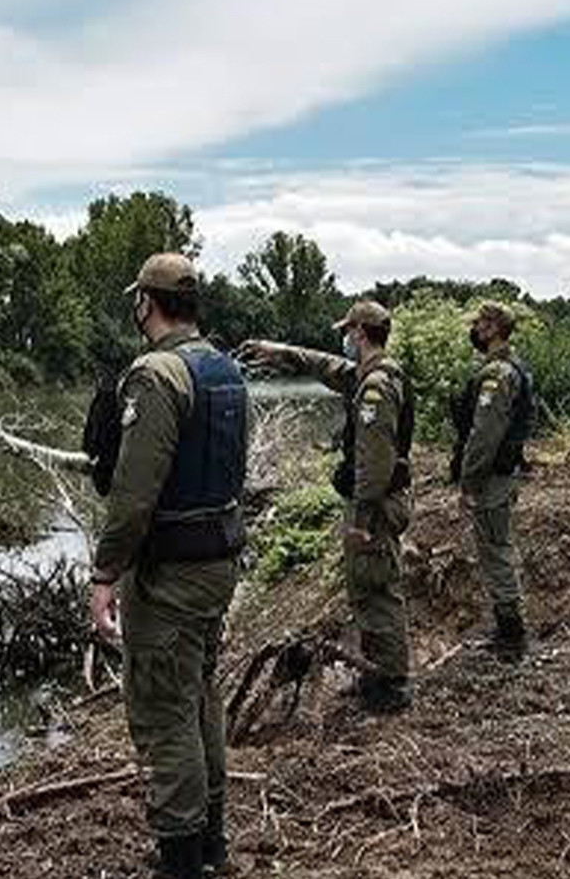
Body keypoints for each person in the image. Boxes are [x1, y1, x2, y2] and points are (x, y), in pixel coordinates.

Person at [87, 253, 249, 879]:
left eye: (137, 301)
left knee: (162, 711)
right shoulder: (224, 369)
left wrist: (105, 575)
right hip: (217, 562)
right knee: (200, 695)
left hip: (172, 575)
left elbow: (133, 496)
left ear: (145, 304)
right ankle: (210, 847)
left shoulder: (157, 374)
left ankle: (181, 859)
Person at [239, 301, 415, 713]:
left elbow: (374, 464)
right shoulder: (367, 374)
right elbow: (326, 366)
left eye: (348, 332)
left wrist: (362, 518)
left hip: (374, 506)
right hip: (375, 502)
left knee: (377, 590)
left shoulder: (375, 387)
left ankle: (391, 684)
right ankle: (376, 673)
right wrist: (279, 351)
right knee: (366, 586)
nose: (345, 340)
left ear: (360, 333)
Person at [449, 301, 535, 661]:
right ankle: (508, 628)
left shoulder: (497, 374)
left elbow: (485, 435)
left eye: (481, 324)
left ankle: (511, 636)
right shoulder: (503, 368)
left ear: (496, 329)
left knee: (496, 552)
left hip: (493, 479)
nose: (475, 329)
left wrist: (468, 483)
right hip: (500, 474)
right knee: (496, 548)